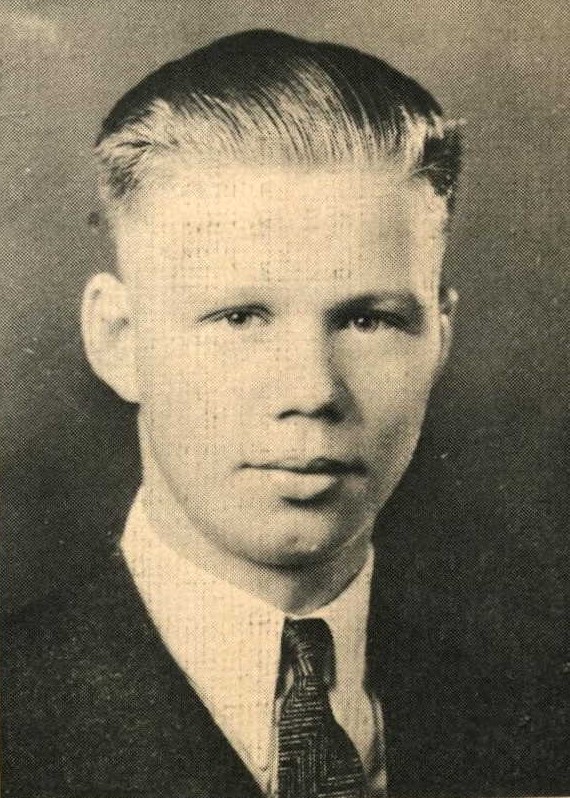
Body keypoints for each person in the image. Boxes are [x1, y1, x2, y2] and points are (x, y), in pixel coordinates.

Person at [2, 29, 566, 798]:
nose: (312, 389)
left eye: (367, 319)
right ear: (118, 340)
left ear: (439, 337)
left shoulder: (536, 719)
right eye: (240, 317)